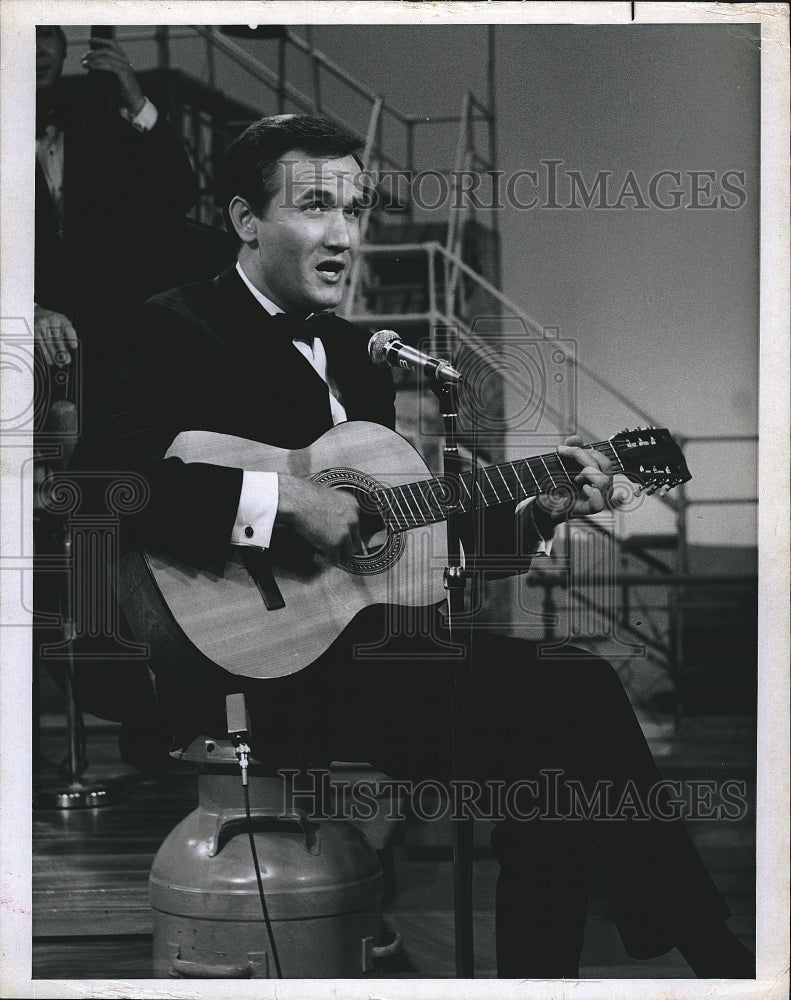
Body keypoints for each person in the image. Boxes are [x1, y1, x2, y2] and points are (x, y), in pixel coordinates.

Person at [70, 114, 754, 979]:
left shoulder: (358, 358)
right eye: (315, 206)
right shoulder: (170, 327)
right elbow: (101, 487)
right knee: (576, 686)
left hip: (369, 658)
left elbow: (403, 533)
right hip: (239, 670)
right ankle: (709, 947)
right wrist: (278, 502)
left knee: (551, 786)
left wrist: (539, 513)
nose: (342, 235)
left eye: (353, 211)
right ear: (246, 220)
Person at [34, 25, 201, 397]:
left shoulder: (93, 121)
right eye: (21, 35)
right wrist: (29, 308)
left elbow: (180, 192)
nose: (36, 50)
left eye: (44, 34)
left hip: (102, 334)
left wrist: (136, 100)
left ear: (64, 47)